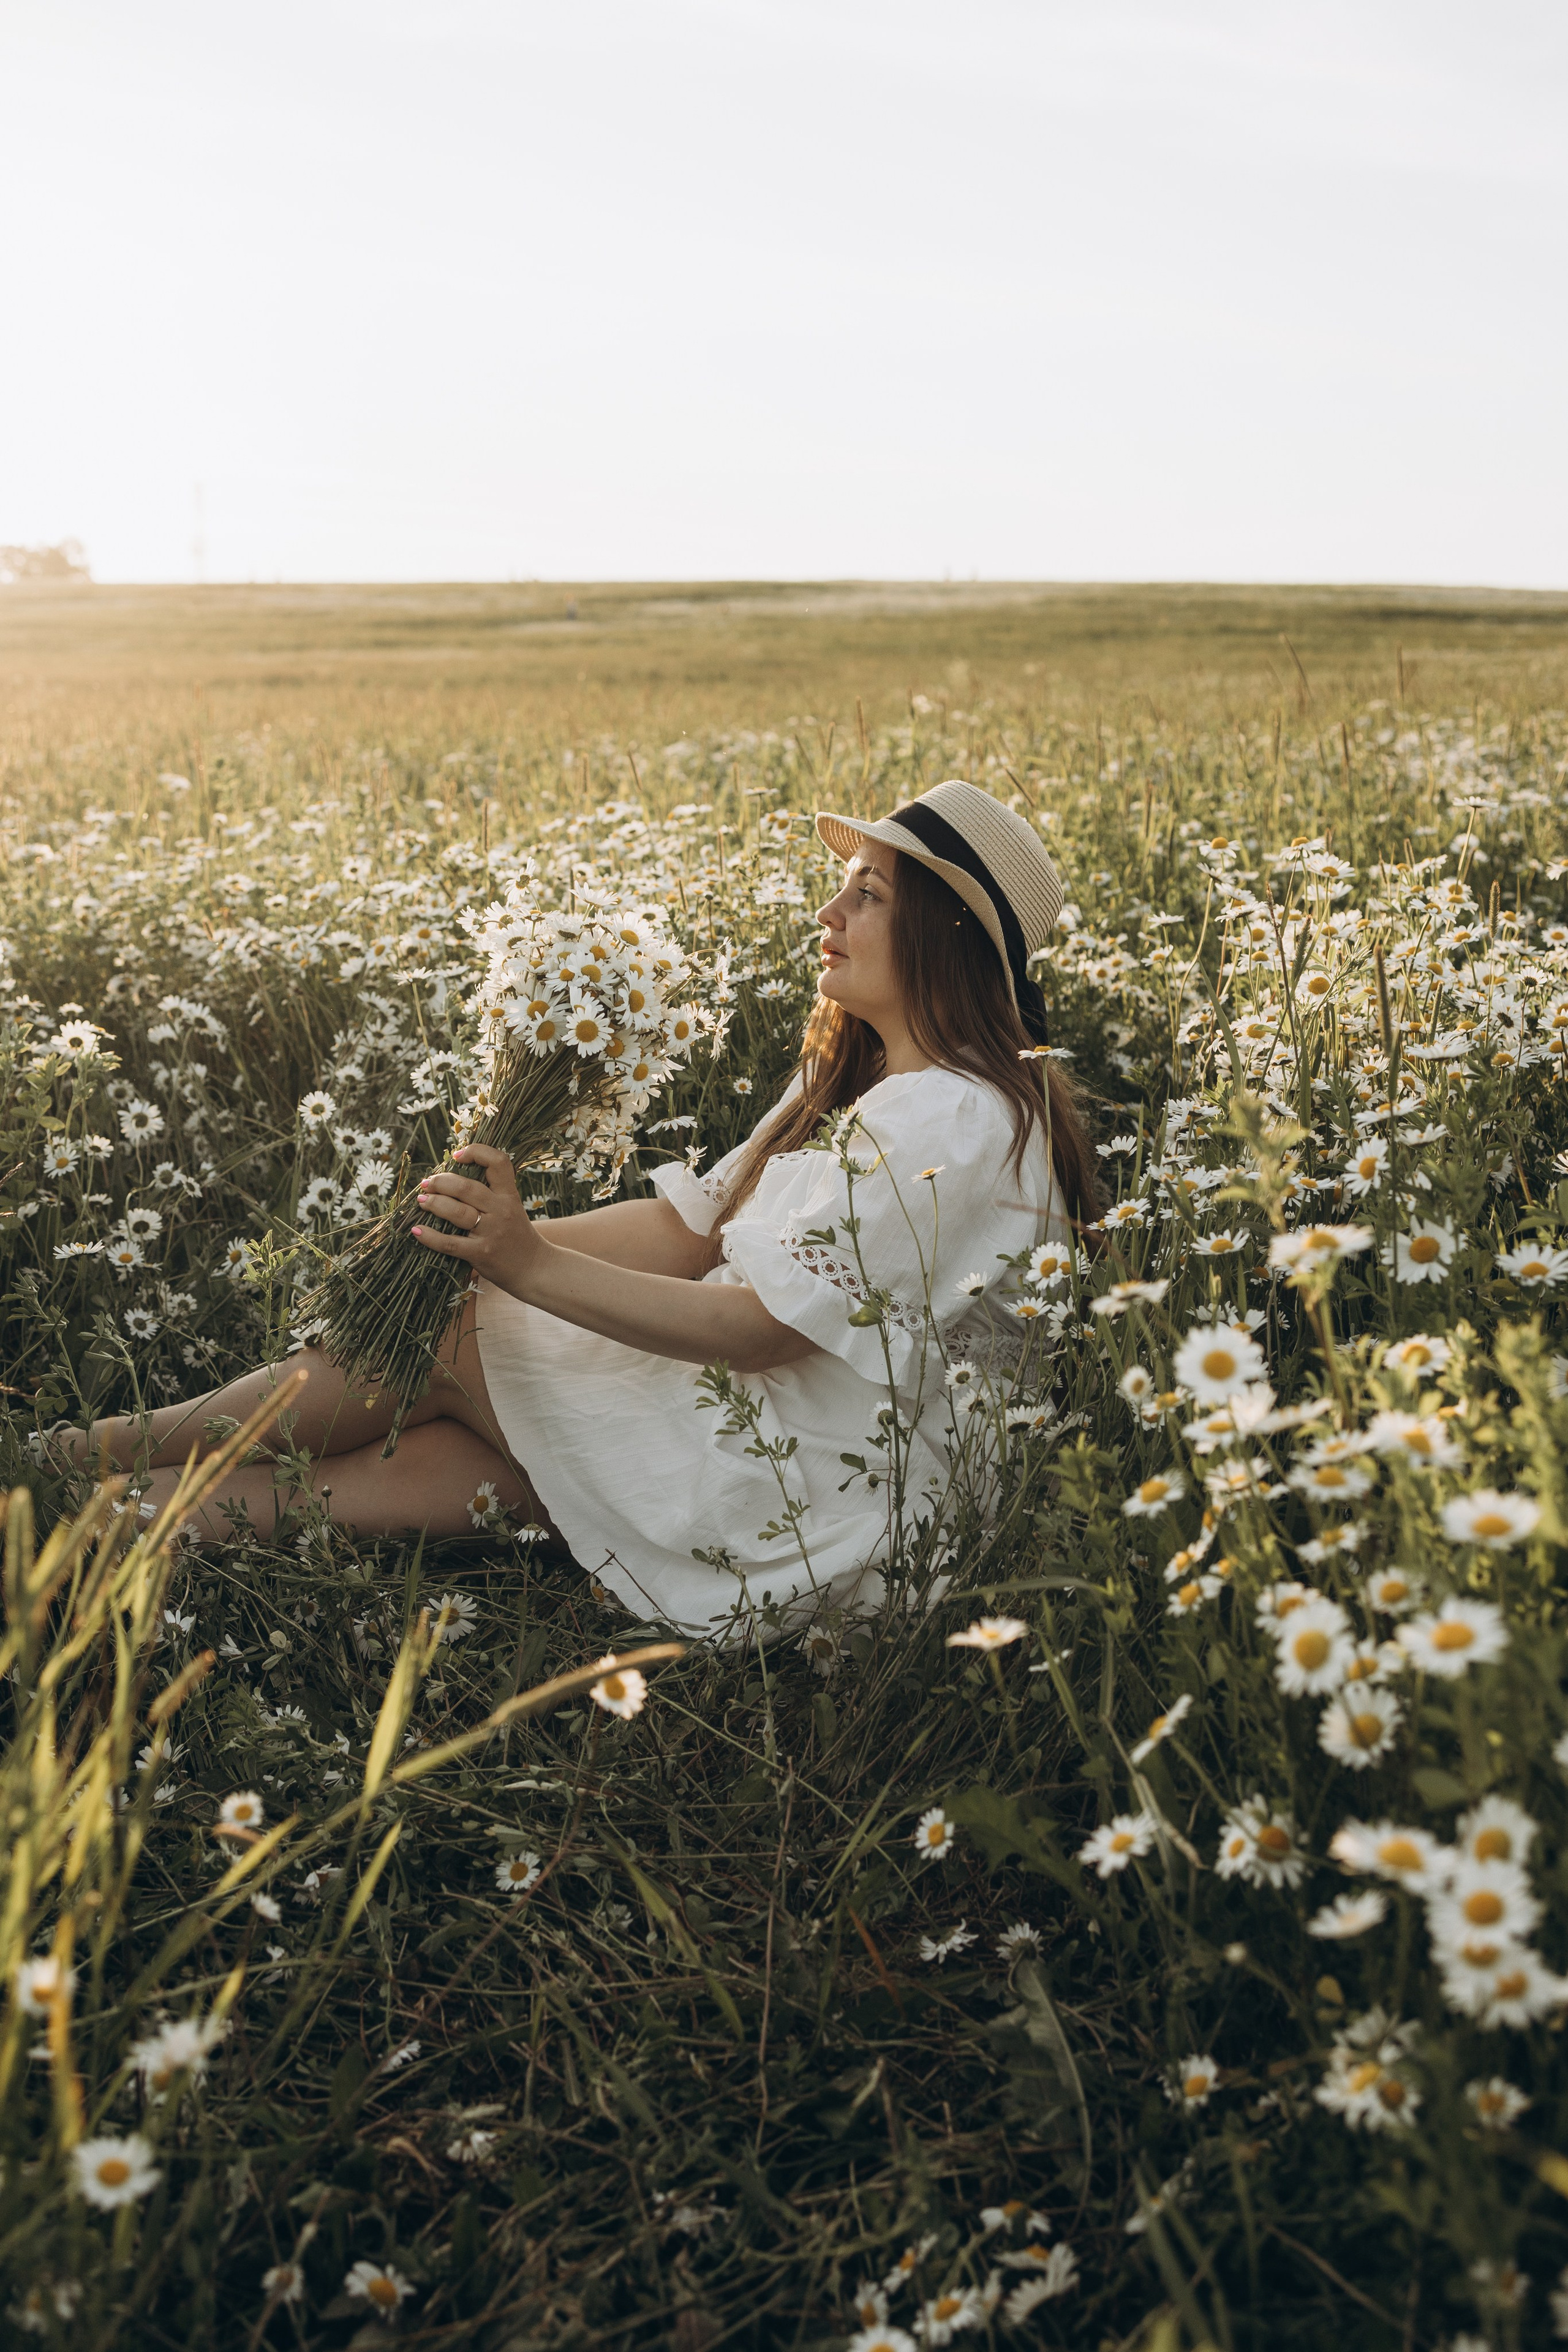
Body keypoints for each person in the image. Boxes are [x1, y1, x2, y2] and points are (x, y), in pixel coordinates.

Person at [64, 781, 1099, 1635]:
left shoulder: (955, 1120)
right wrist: (467, 1242)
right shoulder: (872, 1081)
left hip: (831, 1496)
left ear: (949, 934)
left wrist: (519, 1268)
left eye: (868, 895)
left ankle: (83, 1452)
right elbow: (694, 1233)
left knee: (469, 1333)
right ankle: (122, 1518)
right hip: (790, 1436)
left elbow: (761, 1328)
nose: (829, 916)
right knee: (504, 1456)